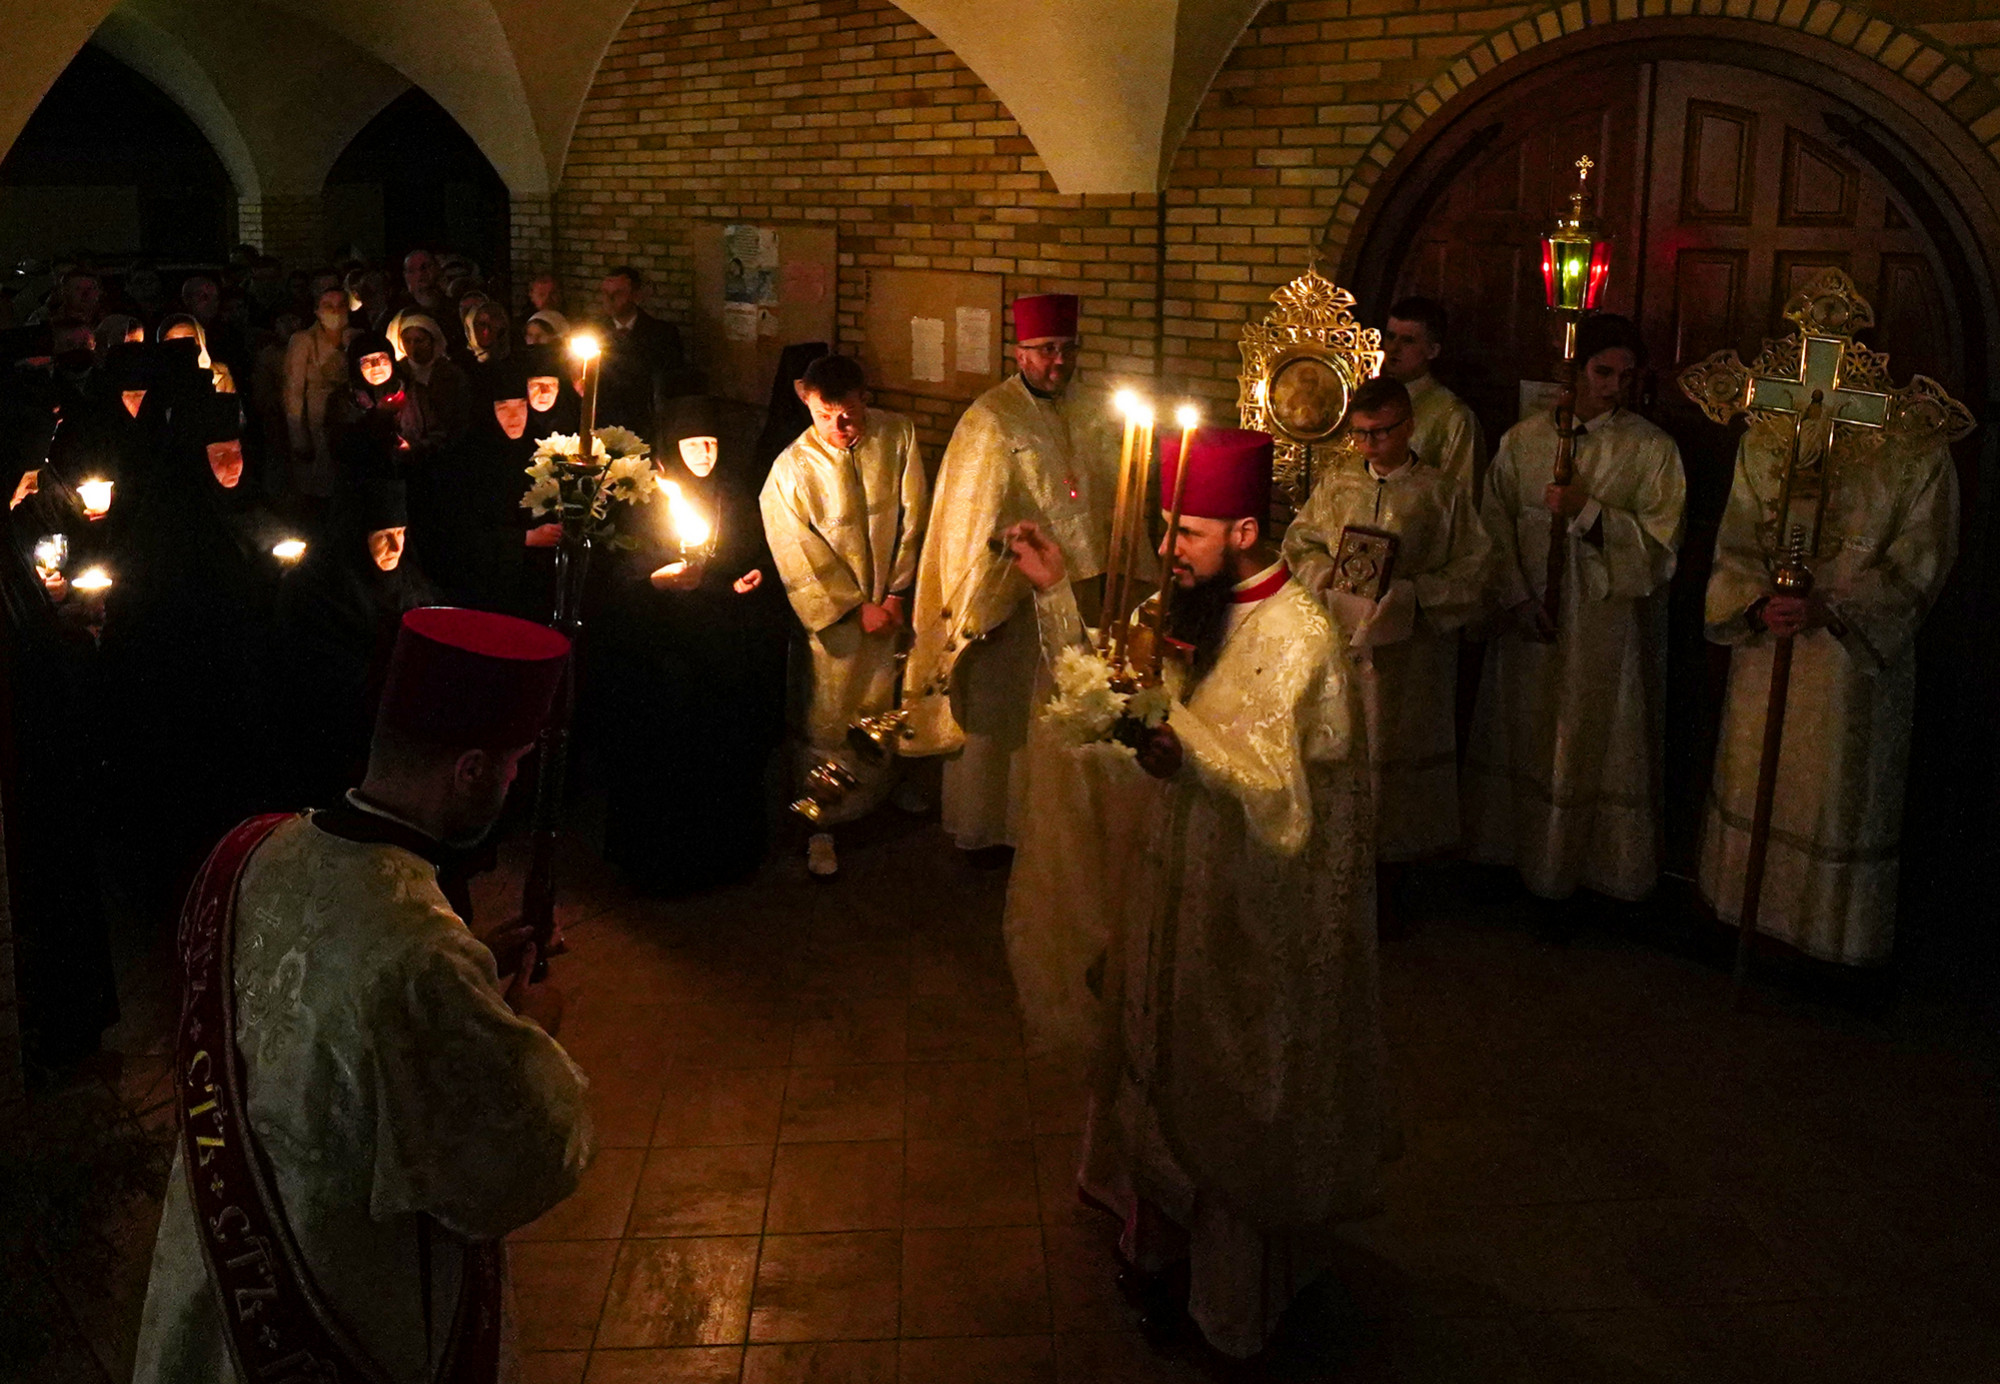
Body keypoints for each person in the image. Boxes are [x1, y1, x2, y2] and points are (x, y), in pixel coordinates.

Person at [132, 606, 592, 1384]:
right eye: (513, 764)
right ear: (471, 770)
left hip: (223, 1282)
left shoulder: (247, 850)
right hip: (344, 1306)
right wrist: (531, 1026)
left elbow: (321, 997)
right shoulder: (419, 951)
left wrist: (470, 966)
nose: (516, 784)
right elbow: (524, 1153)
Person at [1005, 426, 1382, 1361]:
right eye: (1167, 526)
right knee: (1153, 1051)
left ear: (1246, 529)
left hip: (1252, 909)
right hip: (1175, 881)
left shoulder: (1300, 635)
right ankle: (1153, 1245)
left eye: (1188, 531)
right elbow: (1119, 685)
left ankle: (1230, 1308)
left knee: (1227, 1087)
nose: (1168, 549)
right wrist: (1058, 597)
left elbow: (1287, 791)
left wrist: (1179, 739)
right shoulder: (1196, 603)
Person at [1696, 409, 1958, 968]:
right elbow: (1736, 541)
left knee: (1835, 785)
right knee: (1753, 776)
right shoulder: (1766, 439)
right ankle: (1746, 922)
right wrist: (1756, 601)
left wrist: (1834, 608)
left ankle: (1827, 944)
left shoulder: (1915, 452)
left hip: (1847, 661)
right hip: (1767, 647)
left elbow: (1920, 561)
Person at [1463, 314, 1686, 906]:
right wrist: (1515, 595)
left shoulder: (1651, 449)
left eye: (1626, 374)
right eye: (1602, 371)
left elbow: (1661, 548)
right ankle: (1510, 857)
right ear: (1576, 370)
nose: (1614, 386)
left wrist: (1590, 513)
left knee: (1586, 736)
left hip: (1599, 623)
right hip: (1528, 612)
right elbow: (1493, 524)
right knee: (1524, 728)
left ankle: (1579, 872)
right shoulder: (1525, 439)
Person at [902, 293, 1120, 857]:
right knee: (1007, 720)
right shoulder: (991, 421)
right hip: (1013, 602)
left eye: (1068, 349)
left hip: (1082, 592)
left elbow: (1112, 494)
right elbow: (969, 522)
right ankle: (997, 830)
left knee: (1062, 709)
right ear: (1019, 353)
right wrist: (979, 610)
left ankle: (1057, 825)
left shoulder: (1091, 409)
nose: (1059, 362)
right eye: (1047, 350)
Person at [1284, 375, 1492, 918]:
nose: (1369, 446)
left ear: (1408, 426)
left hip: (1408, 658)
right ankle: (1336, 876)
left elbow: (1473, 571)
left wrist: (1412, 595)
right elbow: (1299, 543)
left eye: (1380, 433)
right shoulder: (1337, 484)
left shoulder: (1440, 493)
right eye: (1359, 435)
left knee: (1396, 766)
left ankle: (1394, 885)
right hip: (1341, 647)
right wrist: (1323, 574)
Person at [594, 401, 790, 896]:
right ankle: (660, 859)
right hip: (665, 655)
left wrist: (753, 575)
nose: (703, 454)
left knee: (723, 749)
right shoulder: (645, 502)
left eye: (711, 444)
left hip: (722, 646)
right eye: (692, 445)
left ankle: (725, 853)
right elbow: (619, 575)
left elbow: (756, 551)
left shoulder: (733, 495)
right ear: (672, 452)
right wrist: (657, 582)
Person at [759, 352, 928, 877]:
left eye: (849, 413)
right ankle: (821, 824)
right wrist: (856, 609)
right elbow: (796, 550)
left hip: (892, 607)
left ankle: (884, 794)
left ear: (865, 399)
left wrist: (898, 592)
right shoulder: (791, 470)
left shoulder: (896, 437)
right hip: (837, 628)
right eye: (825, 414)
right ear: (805, 399)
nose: (839, 426)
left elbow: (914, 514)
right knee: (830, 718)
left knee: (890, 703)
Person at [277, 475, 439, 804]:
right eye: (383, 537)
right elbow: (322, 676)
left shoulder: (408, 579)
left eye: (401, 535)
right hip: (337, 745)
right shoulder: (314, 589)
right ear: (355, 536)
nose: (396, 548)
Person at [1379, 295, 1485, 498]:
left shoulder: (1453, 417)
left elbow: (1461, 497)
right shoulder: (1367, 400)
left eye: (1408, 340)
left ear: (1433, 350)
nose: (1393, 348)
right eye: (1390, 336)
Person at [594, 265, 691, 439]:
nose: (609, 300)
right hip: (604, 421)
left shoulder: (662, 334)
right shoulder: (593, 331)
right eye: (605, 293)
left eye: (618, 294)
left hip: (646, 423)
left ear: (636, 296)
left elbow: (671, 380)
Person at [285, 286, 357, 502]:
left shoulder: (356, 337)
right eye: (328, 306)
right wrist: (298, 436)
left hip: (350, 418)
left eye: (340, 306)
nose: (335, 311)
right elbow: (293, 390)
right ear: (317, 310)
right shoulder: (303, 340)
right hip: (317, 421)